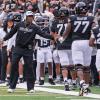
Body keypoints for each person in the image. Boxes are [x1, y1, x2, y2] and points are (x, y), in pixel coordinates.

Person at [1, 10, 53, 93]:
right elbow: (11, 33)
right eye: (29, 17)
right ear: (25, 17)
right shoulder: (19, 24)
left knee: (29, 67)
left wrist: (53, 37)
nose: (30, 18)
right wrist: (3, 39)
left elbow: (43, 34)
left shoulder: (35, 27)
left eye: (31, 17)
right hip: (18, 48)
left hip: (28, 49)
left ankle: (31, 87)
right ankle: (12, 86)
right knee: (14, 65)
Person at [56, 2, 95, 95]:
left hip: (76, 43)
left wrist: (61, 38)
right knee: (86, 67)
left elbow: (67, 30)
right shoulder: (91, 18)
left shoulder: (73, 18)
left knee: (78, 66)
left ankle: (82, 83)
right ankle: (86, 86)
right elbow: (95, 28)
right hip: (87, 42)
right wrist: (93, 38)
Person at [89, 15, 100, 86]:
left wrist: (96, 45)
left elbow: (90, 43)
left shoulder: (95, 30)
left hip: (99, 49)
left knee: (98, 67)